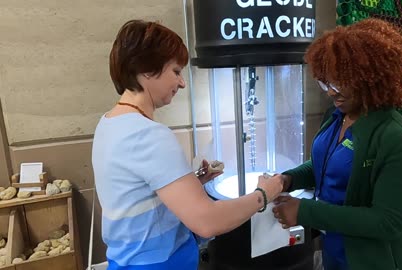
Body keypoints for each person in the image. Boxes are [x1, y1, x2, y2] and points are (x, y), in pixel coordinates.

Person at [92, 20, 283, 270]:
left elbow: (137, 193)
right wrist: (264, 194)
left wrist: (191, 181)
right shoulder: (148, 135)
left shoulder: (108, 123)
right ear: (147, 70)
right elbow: (207, 221)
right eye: (176, 71)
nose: (182, 83)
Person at [271, 18, 402, 270]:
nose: (331, 92)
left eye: (340, 83)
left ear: (371, 79)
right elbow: (327, 164)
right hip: (336, 253)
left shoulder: (399, 140)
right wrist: (288, 180)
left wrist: (304, 211)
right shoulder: (337, 116)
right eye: (325, 83)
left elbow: (388, 222)